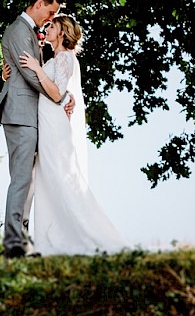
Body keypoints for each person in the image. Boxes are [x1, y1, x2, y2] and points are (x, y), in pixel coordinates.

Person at [11, 13, 125, 256]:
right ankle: (51, 239)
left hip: (55, 128)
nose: (47, 28)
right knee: (47, 179)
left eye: (52, 26)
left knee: (60, 177)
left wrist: (35, 68)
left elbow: (56, 92)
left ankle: (90, 236)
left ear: (62, 32)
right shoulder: (55, 57)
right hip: (48, 123)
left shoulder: (65, 58)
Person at [0, 0, 64, 257]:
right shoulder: (19, 30)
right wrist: (59, 95)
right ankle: (12, 245)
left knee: (29, 181)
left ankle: (20, 242)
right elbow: (29, 73)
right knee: (22, 179)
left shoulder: (28, 32)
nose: (51, 17)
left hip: (29, 113)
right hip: (21, 113)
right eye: (50, 11)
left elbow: (21, 70)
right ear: (38, 3)